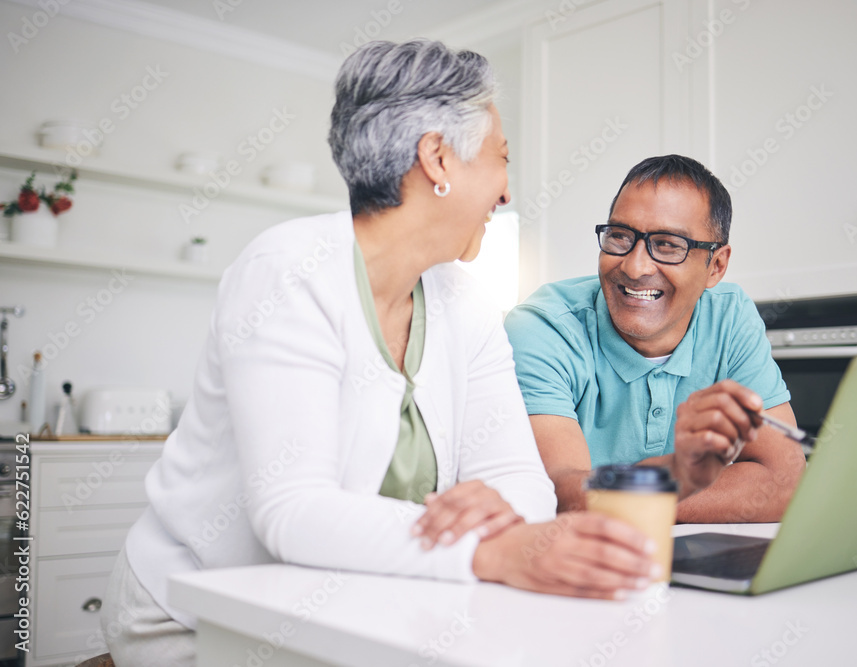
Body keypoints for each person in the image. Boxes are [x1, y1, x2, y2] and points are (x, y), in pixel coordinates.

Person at [102, 43, 729, 667]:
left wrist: (498, 508)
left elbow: (525, 483)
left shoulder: (463, 299)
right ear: (437, 159)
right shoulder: (290, 271)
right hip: (201, 615)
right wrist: (491, 549)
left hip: (351, 604)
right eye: (501, 159)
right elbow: (291, 512)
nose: (505, 191)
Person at [504, 155, 806, 522]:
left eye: (667, 245)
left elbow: (785, 482)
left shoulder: (729, 317)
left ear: (716, 266)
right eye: (619, 236)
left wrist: (625, 496)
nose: (634, 267)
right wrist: (682, 476)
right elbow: (565, 493)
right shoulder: (542, 328)